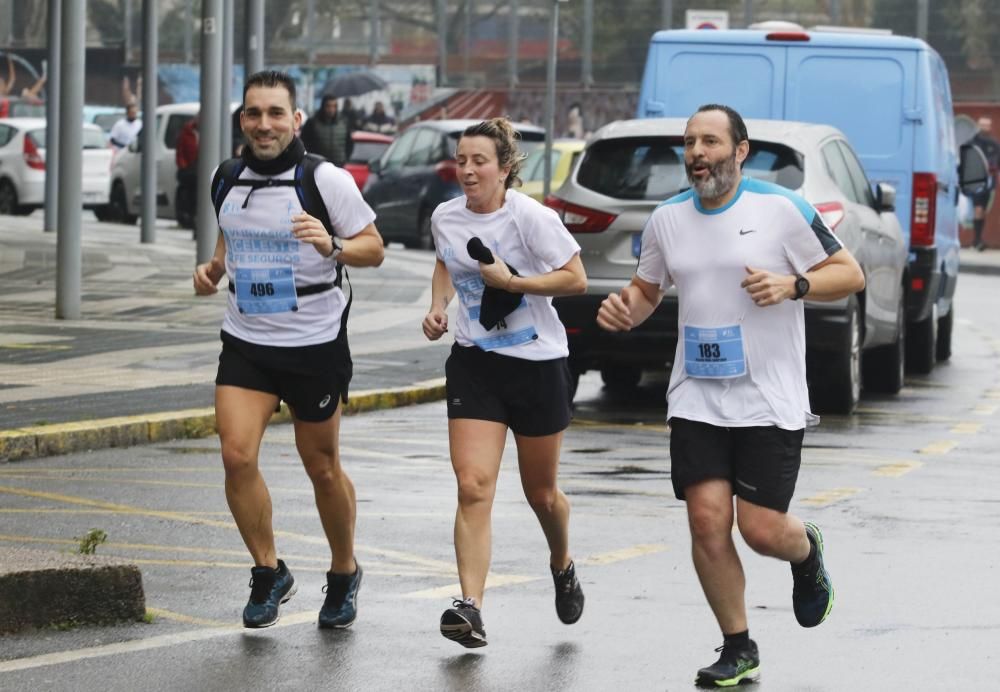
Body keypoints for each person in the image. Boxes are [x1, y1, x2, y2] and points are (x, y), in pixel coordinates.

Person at [596, 104, 865, 687]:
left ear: (740, 151)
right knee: (706, 521)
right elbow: (646, 291)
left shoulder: (781, 209)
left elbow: (850, 274)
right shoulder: (666, 219)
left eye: (711, 142)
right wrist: (625, 311)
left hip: (768, 398)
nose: (697, 153)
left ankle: (805, 549)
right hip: (696, 396)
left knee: (762, 530)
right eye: (690, 143)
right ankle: (738, 645)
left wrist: (795, 284)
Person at [192, 70, 385, 630]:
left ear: (296, 119)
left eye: (276, 113)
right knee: (236, 455)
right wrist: (211, 271)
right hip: (248, 338)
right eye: (254, 113)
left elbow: (374, 249)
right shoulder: (226, 177)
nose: (264, 124)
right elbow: (228, 244)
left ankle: (344, 571)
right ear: (242, 120)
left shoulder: (324, 180)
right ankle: (268, 570)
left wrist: (333, 244)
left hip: (314, 343)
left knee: (321, 466)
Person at [422, 118, 588, 648]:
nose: (467, 170)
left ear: (505, 168)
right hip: (476, 363)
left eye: (479, 161)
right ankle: (470, 607)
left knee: (541, 494)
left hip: (537, 365)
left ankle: (561, 562)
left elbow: (575, 277)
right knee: (473, 485)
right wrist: (437, 306)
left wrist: (513, 282)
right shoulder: (445, 217)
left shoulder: (530, 218)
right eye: (462, 160)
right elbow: (446, 263)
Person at [970, 116, 1000, 251]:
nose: (984, 128)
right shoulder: (972, 142)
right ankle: (976, 240)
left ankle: (978, 239)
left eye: (987, 125)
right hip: (975, 181)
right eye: (982, 125)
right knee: (978, 209)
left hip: (989, 182)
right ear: (978, 126)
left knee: (982, 210)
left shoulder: (994, 144)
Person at [300, 95, 353, 166]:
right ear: (323, 107)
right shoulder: (312, 122)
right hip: (318, 165)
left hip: (338, 165)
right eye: (328, 106)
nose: (331, 109)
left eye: (334, 106)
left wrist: (345, 158)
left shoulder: (343, 122)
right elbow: (304, 142)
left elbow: (349, 143)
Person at [174, 115, 199, 230]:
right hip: (190, 170)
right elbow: (180, 152)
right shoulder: (186, 132)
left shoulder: (212, 131)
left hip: (202, 169)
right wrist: (184, 166)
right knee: (190, 195)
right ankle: (190, 218)